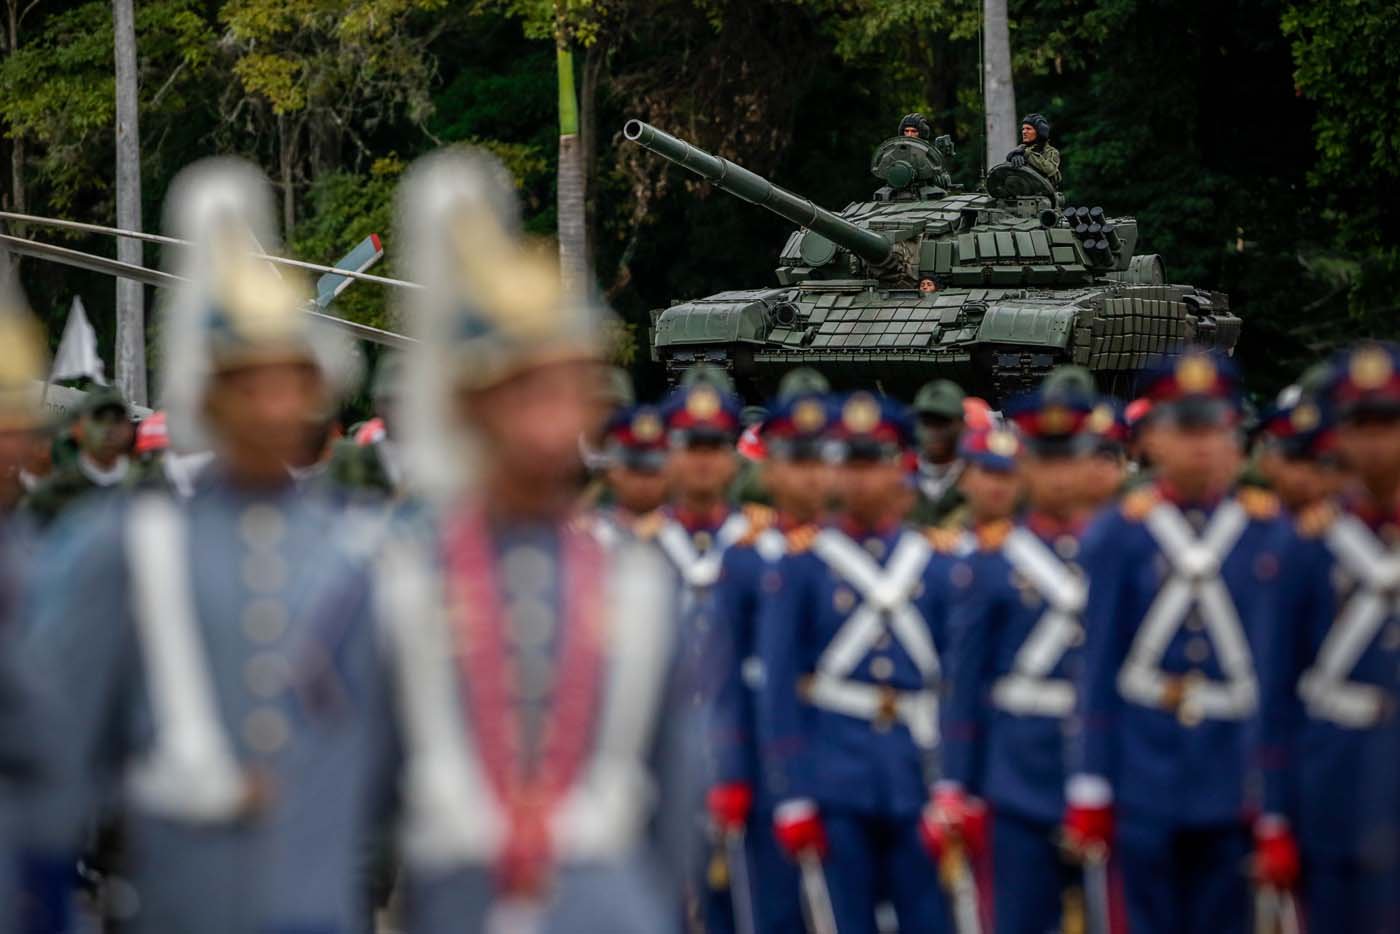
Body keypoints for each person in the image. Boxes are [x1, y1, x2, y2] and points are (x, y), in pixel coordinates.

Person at [336, 147, 697, 933]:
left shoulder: (640, 584)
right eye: (525, 390)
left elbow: (674, 812)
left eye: (571, 388)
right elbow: (347, 806)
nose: (556, 420)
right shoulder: (393, 584)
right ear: (468, 406)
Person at [19, 157, 360, 934]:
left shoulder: (358, 550)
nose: (276, 407)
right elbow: (54, 755)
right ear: (207, 393)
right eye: (251, 384)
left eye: (291, 383)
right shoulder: (124, 547)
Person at [1064, 351, 1292, 934]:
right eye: (1185, 429)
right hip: (1143, 767)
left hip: (1232, 766)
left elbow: (1280, 669)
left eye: (1214, 428)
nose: (1202, 445)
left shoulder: (1269, 532)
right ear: (1153, 439)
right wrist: (1092, 781)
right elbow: (1099, 666)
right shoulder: (1120, 532)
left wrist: (1275, 797)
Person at [758, 391, 953, 934]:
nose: (862, 479)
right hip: (834, 775)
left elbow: (953, 683)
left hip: (916, 773)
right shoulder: (801, 567)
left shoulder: (933, 564)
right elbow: (779, 689)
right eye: (849, 463)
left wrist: (953, 785)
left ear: (901, 468)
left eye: (875, 462)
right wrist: (793, 793)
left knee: (930, 919)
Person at [938, 380, 1098, 934]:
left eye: (1069, 459)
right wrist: (959, 785)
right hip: (1015, 775)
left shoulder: (1122, 550)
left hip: (1105, 768)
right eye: (1045, 460)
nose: (1058, 475)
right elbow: (965, 683)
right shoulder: (990, 561)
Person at [1255, 343, 1400, 934]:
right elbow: (1278, 691)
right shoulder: (1303, 546)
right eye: (1358, 425)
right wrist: (1274, 817)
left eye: (1388, 423)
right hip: (1334, 787)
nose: (1373, 442)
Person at [707, 382, 835, 934]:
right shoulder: (745, 556)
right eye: (795, 459)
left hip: (849, 751)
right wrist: (731, 769)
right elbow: (727, 675)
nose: (810, 475)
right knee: (774, 908)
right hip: (767, 752)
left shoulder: (869, 550)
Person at [22, 387, 134, 529]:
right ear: (77, 428)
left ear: (129, 429)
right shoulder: (52, 494)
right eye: (99, 418)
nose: (109, 430)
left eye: (117, 420)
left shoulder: (147, 486)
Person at [325, 352, 407, 501]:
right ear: (378, 402)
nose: (399, 412)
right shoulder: (344, 457)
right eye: (391, 401)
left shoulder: (434, 468)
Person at [909, 379, 966, 526]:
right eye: (926, 422)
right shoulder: (902, 475)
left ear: (962, 425)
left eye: (942, 422)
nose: (933, 431)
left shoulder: (976, 477)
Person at [1006, 112, 1061, 189]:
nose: (1024, 132)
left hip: (1044, 194)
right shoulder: (1020, 149)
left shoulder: (1051, 152)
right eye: (1023, 129)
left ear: (1040, 131)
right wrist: (1013, 157)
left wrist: (1027, 154)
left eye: (1028, 129)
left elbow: (1049, 169)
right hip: (1021, 192)